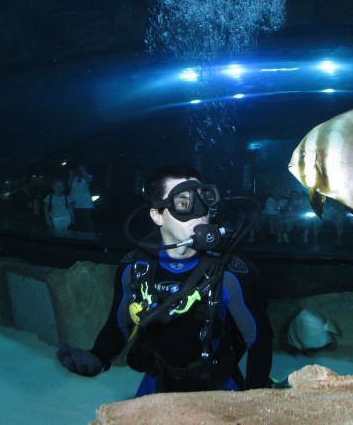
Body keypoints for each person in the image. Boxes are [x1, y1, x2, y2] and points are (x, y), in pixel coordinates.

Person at [56, 164, 272, 396]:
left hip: (218, 386)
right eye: (183, 203)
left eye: (204, 199)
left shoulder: (231, 272)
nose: (200, 212)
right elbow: (118, 323)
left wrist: (256, 401)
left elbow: (259, 341)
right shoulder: (136, 267)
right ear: (157, 215)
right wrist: (98, 356)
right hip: (157, 383)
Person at [68, 165, 95, 232]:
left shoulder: (89, 176)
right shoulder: (73, 178)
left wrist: (84, 171)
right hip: (74, 201)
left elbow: (89, 181)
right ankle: (80, 239)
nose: (79, 169)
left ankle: (92, 238)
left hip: (86, 202)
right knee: (78, 222)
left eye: (82, 168)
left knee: (88, 221)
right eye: (78, 168)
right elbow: (68, 186)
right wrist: (71, 175)